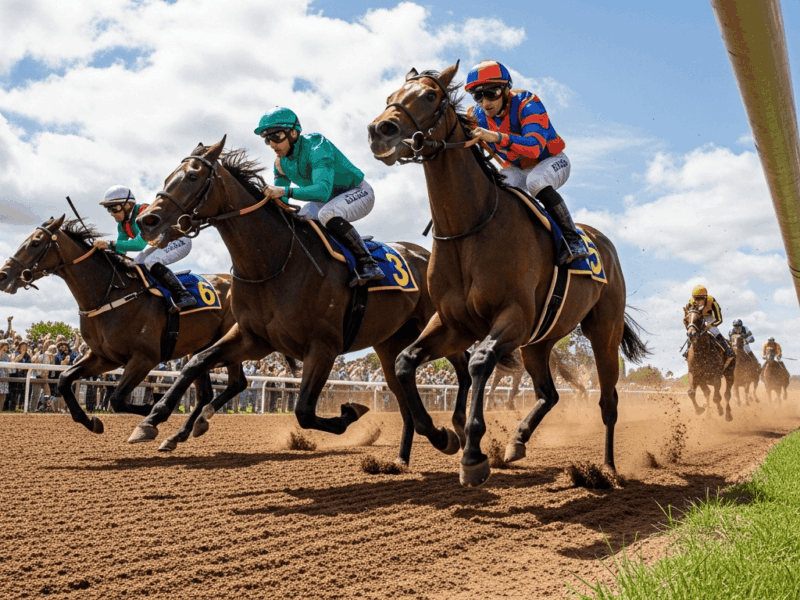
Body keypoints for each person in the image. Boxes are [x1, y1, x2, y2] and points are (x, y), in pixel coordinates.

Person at [465, 60, 590, 265]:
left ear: (506, 89)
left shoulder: (527, 102)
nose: (485, 102)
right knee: (494, 190)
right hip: (515, 169)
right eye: (477, 95)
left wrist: (496, 137)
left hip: (551, 161)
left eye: (491, 93)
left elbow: (534, 147)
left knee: (536, 181)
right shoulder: (475, 115)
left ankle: (573, 240)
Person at [255, 107, 384, 286]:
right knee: (300, 220)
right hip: (328, 200)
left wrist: (285, 191)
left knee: (327, 214)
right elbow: (282, 202)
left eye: (277, 136)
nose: (272, 144)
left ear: (293, 133)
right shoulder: (280, 163)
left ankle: (369, 264)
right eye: (267, 139)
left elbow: (322, 191)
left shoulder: (317, 146)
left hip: (358, 192)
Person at [95, 185, 197, 311]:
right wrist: (103, 254)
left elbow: (139, 244)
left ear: (128, 205)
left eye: (113, 208)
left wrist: (109, 244)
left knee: (151, 261)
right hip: (162, 244)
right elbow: (120, 251)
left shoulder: (145, 213)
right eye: (108, 209)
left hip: (180, 240)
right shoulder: (123, 225)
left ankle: (184, 294)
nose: (111, 213)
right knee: (134, 264)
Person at [684, 285, 734, 359]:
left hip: (708, 317)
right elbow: (688, 319)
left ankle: (727, 348)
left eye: (701, 299)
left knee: (715, 331)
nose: (698, 302)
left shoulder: (712, 301)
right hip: (697, 317)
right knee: (692, 332)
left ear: (705, 298)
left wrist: (711, 325)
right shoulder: (690, 303)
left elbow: (719, 319)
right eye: (696, 299)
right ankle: (687, 349)